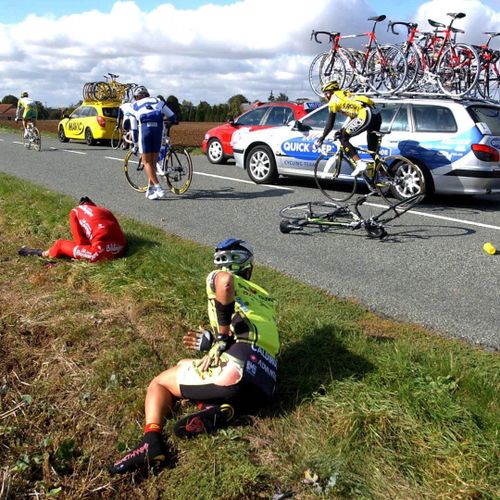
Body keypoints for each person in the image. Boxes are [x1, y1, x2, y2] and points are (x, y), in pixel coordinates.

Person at [109, 238, 280, 475]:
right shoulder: (264, 297)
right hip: (266, 381)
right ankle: (216, 408)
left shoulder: (218, 275)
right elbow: (248, 331)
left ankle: (151, 442)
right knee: (185, 364)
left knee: (161, 382)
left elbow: (225, 282)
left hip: (237, 369)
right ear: (248, 268)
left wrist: (219, 337)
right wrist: (213, 340)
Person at [18, 197, 127, 262]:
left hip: (98, 254)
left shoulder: (75, 211)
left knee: (60, 244)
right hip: (121, 248)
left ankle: (41, 253)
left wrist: (76, 251)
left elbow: (80, 241)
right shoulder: (105, 210)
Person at [315, 80, 382, 177]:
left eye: (325, 94)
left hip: (365, 114)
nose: (325, 97)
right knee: (372, 150)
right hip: (376, 115)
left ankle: (360, 163)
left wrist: (322, 137)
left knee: (343, 139)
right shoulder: (344, 94)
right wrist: (342, 130)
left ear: (329, 93)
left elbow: (330, 124)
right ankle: (386, 175)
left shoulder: (333, 101)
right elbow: (353, 116)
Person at [129, 86, 177, 200]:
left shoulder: (133, 106)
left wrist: (135, 144)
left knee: (146, 162)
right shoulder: (158, 100)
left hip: (145, 131)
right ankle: (150, 189)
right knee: (153, 162)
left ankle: (159, 189)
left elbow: (134, 129)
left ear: (137, 97)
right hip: (158, 131)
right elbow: (173, 116)